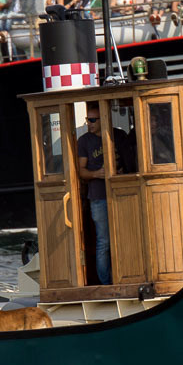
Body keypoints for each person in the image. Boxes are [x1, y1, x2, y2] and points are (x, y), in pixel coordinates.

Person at [75, 105, 110, 286]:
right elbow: (81, 172)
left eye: (93, 120)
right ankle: (105, 284)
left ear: (104, 119)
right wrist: (97, 174)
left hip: (121, 195)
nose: (89, 123)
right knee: (103, 241)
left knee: (125, 237)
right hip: (97, 197)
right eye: (88, 120)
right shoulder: (84, 141)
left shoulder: (117, 136)